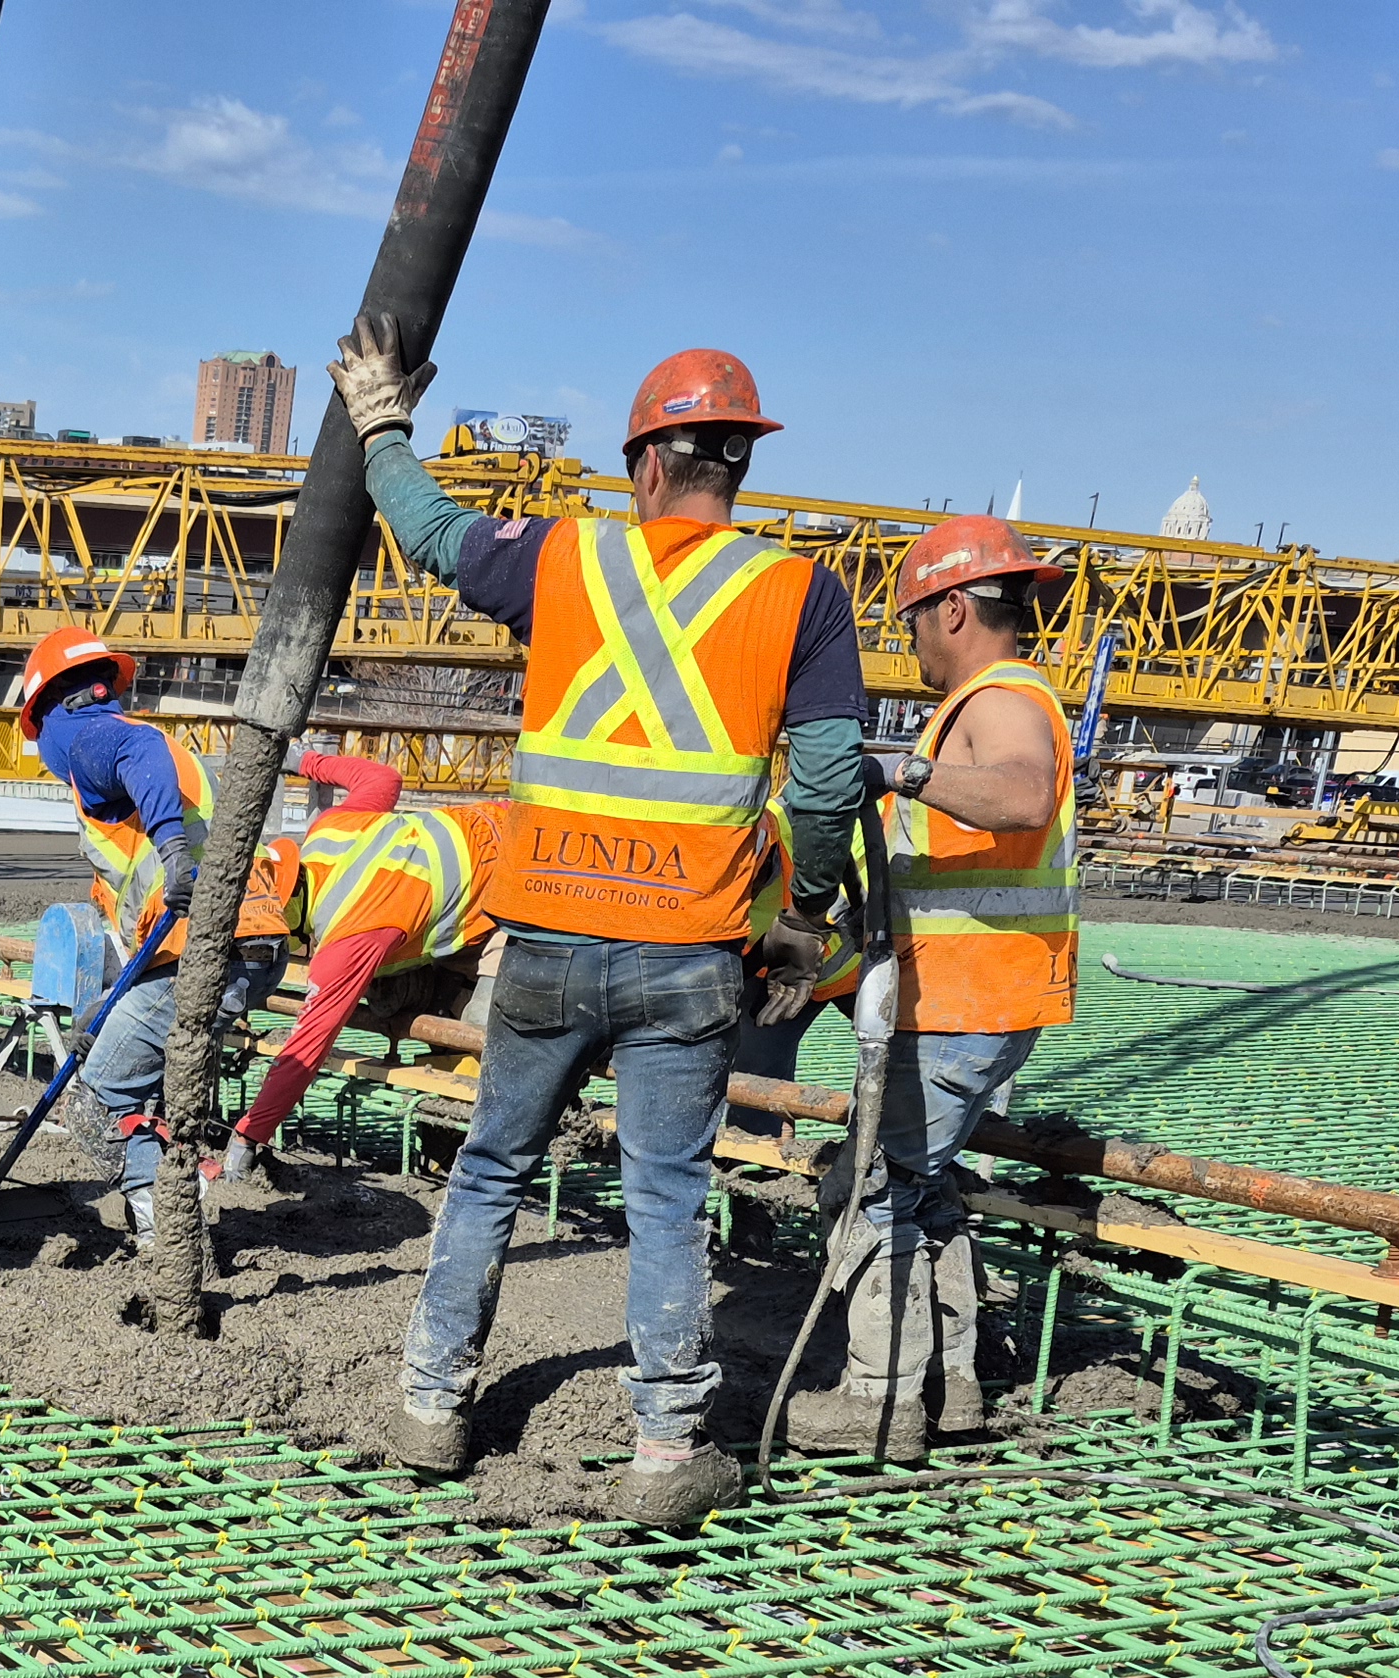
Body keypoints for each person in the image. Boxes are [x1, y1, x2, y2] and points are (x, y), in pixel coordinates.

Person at [330, 327, 869, 1530]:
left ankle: (430, 1407)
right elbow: (829, 777)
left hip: (548, 942)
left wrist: (380, 425)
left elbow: (428, 537)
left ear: (643, 466)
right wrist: (809, 915)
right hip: (688, 954)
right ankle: (666, 1452)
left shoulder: (566, 560)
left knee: (489, 1171)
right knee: (667, 1197)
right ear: (736, 465)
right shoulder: (797, 592)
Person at [775, 513, 1076, 1459]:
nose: (911, 646)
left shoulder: (999, 698)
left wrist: (900, 770)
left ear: (952, 608)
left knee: (868, 1189)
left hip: (964, 1003)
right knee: (923, 1185)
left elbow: (1024, 795)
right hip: (973, 998)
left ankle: (881, 1400)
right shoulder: (989, 704)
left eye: (910, 624)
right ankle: (950, 1391)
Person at [15, 627, 289, 1242]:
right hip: (248, 940)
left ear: (51, 711)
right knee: (142, 1074)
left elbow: (133, 760)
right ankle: (176, 1208)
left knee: (104, 1090)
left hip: (208, 941)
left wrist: (172, 850)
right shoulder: (168, 752)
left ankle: (165, 1234)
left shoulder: (88, 734)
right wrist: (101, 1011)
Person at [223, 754, 500, 1162]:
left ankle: (485, 1148)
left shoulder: (350, 935)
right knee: (396, 986)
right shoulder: (328, 830)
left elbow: (306, 1049)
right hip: (493, 833)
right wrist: (304, 761)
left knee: (485, 1030)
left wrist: (248, 1136)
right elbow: (382, 778)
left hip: (527, 894)